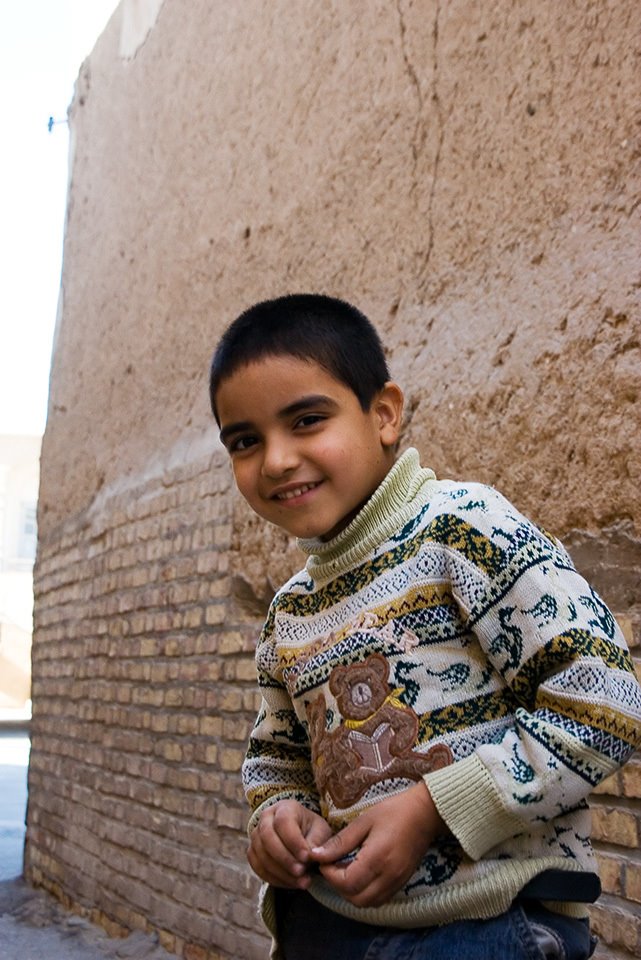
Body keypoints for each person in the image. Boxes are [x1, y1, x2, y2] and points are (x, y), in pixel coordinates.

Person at [208, 294, 641, 960]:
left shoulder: (461, 530)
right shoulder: (289, 610)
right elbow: (277, 757)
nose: (275, 460)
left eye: (306, 420)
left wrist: (435, 807)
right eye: (245, 440)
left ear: (383, 414)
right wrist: (277, 817)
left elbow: (601, 698)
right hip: (328, 925)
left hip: (487, 922)